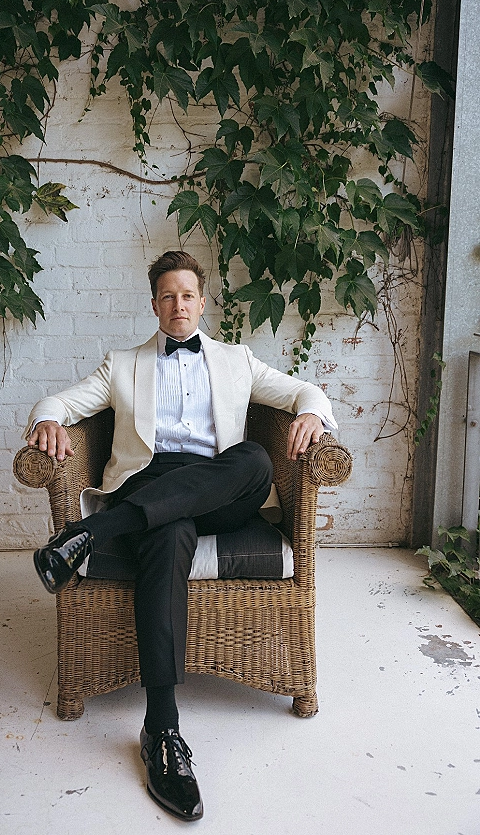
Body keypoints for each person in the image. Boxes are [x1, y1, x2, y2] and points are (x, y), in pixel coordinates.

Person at [24, 250, 337, 822]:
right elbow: (61, 403)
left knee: (256, 460)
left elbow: (303, 393)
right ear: (154, 305)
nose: (178, 305)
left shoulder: (237, 359)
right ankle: (162, 734)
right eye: (167, 296)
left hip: (219, 488)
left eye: (187, 294)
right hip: (151, 488)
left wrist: (314, 415)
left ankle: (91, 532)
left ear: (202, 301)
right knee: (169, 536)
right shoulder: (123, 364)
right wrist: (46, 421)